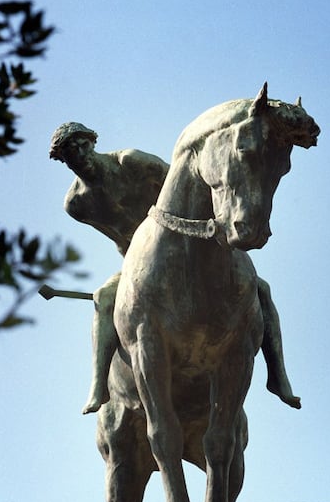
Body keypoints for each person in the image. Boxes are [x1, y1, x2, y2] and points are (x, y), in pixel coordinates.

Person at [49, 121, 301, 414]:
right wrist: (137, 262)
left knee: (260, 289)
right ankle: (98, 386)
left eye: (83, 145)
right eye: (71, 151)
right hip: (138, 262)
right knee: (103, 298)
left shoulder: (130, 161)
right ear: (63, 160)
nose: (80, 154)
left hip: (182, 236)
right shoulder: (76, 204)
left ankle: (278, 375)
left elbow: (182, 185)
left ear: (93, 143)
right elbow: (117, 236)